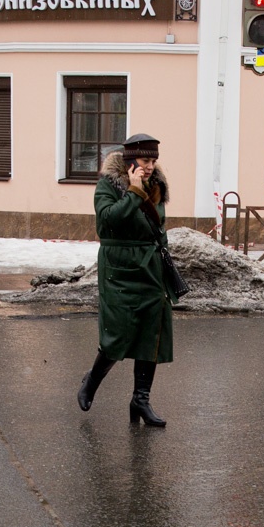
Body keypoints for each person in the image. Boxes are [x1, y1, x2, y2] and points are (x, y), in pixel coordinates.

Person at [77, 133, 175, 427]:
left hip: (149, 267)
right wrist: (133, 192)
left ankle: (140, 401)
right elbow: (107, 221)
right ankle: (91, 381)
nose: (150, 166)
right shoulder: (109, 185)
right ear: (131, 160)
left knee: (150, 332)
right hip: (118, 267)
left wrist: (165, 262)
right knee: (117, 334)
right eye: (145, 160)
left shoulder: (156, 186)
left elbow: (160, 228)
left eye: (154, 160)